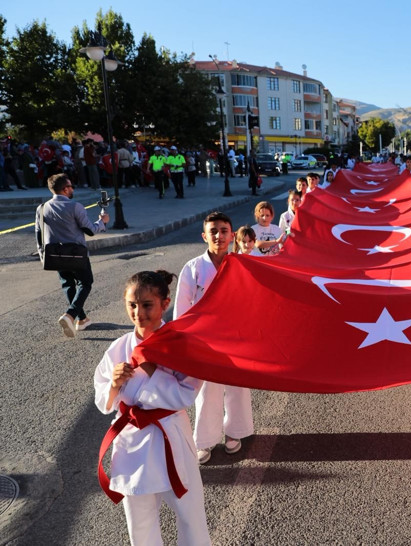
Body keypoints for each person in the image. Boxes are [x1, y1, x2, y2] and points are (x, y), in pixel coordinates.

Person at [94, 270, 211, 545]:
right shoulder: (118, 347)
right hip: (131, 440)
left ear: (164, 304)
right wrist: (113, 384)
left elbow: (187, 393)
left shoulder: (181, 345)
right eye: (132, 305)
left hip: (169, 435)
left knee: (190, 513)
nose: (138, 313)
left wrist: (151, 373)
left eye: (147, 305)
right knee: (140, 521)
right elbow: (103, 398)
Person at [174, 212, 254, 464]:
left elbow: (254, 301)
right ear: (204, 236)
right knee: (207, 391)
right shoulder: (193, 268)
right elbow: (182, 308)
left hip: (236, 338)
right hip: (204, 340)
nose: (219, 236)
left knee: (237, 387)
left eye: (223, 230)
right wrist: (185, 340)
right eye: (213, 231)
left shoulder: (242, 265)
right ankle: (205, 440)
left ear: (232, 235)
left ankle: (234, 432)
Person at [35, 173, 109, 337]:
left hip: (54, 255)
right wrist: (102, 222)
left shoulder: (41, 208)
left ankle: (81, 320)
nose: (72, 189)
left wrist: (42, 255)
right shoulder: (75, 206)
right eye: (70, 186)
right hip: (76, 254)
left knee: (68, 284)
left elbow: (38, 234)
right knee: (86, 282)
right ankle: (70, 315)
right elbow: (89, 230)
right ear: (65, 189)